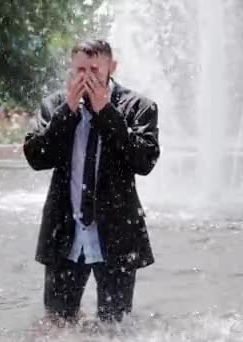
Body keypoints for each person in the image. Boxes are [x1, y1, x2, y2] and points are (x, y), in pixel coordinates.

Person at [23, 39, 161, 324]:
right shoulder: (54, 106)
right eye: (80, 70)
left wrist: (106, 112)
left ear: (112, 67)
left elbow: (144, 161)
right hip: (65, 234)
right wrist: (68, 112)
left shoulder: (140, 107)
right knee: (58, 324)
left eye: (94, 69)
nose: (86, 77)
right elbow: (36, 157)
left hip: (116, 235)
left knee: (115, 327)